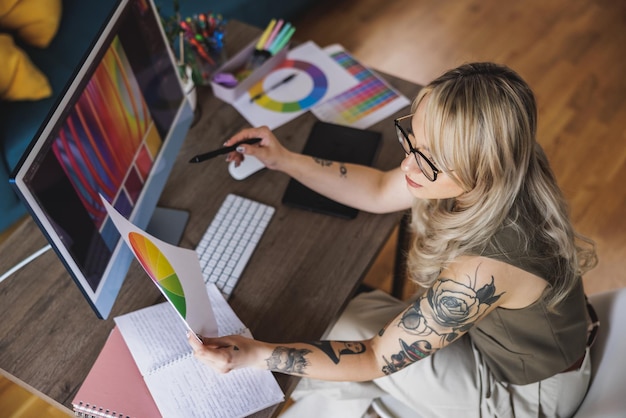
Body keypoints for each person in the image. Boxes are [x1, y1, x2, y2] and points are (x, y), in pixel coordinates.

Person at [188, 62, 598, 417]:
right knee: (333, 322)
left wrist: (258, 354)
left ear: (481, 167)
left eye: (427, 158)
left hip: (526, 397)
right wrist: (284, 159)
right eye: (412, 138)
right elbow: (382, 190)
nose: (407, 162)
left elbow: (373, 357)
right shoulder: (504, 155)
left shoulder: (483, 268)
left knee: (322, 341)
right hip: (509, 343)